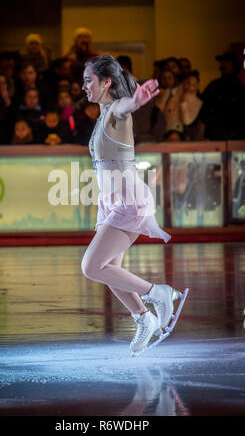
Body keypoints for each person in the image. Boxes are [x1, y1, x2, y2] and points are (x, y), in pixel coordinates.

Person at [80, 55, 188, 356]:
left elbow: (125, 107)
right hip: (111, 201)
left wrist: (135, 101)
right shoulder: (103, 113)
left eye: (89, 80)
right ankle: (144, 318)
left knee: (91, 266)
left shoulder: (116, 110)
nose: (84, 86)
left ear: (106, 82)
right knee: (109, 269)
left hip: (128, 200)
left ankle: (159, 293)